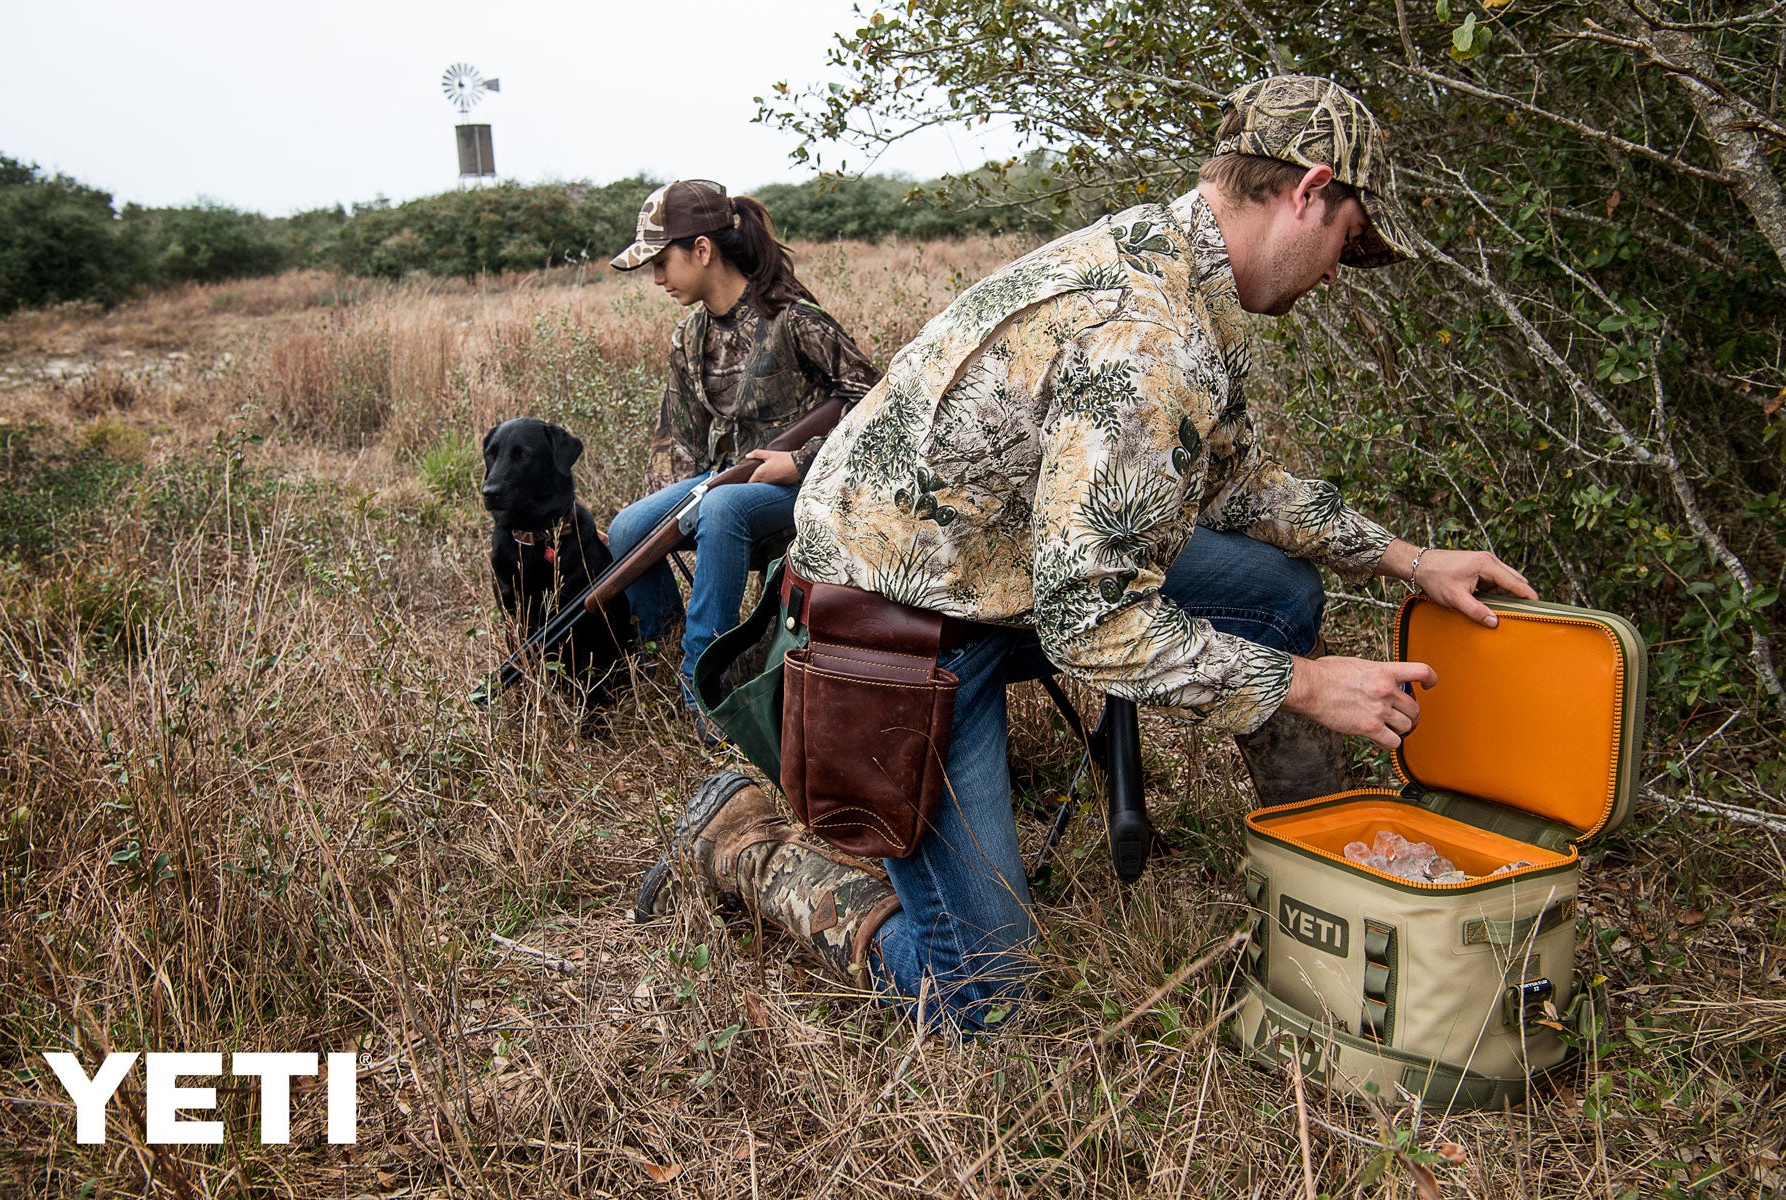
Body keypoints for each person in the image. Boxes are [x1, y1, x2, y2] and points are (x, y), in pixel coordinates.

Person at [643, 77, 1539, 1031]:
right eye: (1347, 245)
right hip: (895, 619)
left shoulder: (1188, 274)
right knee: (985, 998)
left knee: (1275, 592)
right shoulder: (1146, 337)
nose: (1335, 274)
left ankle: (1317, 862)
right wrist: (1312, 687)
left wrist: (1411, 560)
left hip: (1010, 560)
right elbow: (1092, 628)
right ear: (1309, 192)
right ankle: (743, 839)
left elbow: (1232, 485)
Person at [604, 180, 880, 739]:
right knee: (630, 527)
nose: (657, 278)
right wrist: (671, 513)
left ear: (701, 250)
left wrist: (800, 462)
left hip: (806, 485)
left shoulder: (794, 319)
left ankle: (702, 683)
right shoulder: (690, 336)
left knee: (723, 509)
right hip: (725, 482)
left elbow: (876, 402)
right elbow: (674, 442)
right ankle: (669, 647)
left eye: (662, 262)